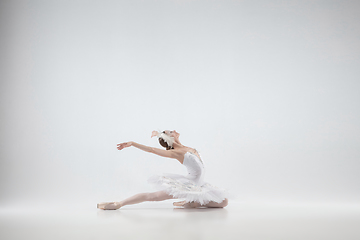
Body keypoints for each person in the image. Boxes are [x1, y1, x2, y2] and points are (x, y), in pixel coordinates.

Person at [97, 130, 229, 210]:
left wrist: (159, 133)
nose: (174, 130)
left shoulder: (184, 147)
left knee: (224, 202)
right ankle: (118, 203)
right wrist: (133, 143)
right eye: (171, 131)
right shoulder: (176, 152)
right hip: (187, 185)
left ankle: (191, 203)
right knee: (153, 196)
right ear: (170, 139)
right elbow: (152, 150)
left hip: (200, 185)